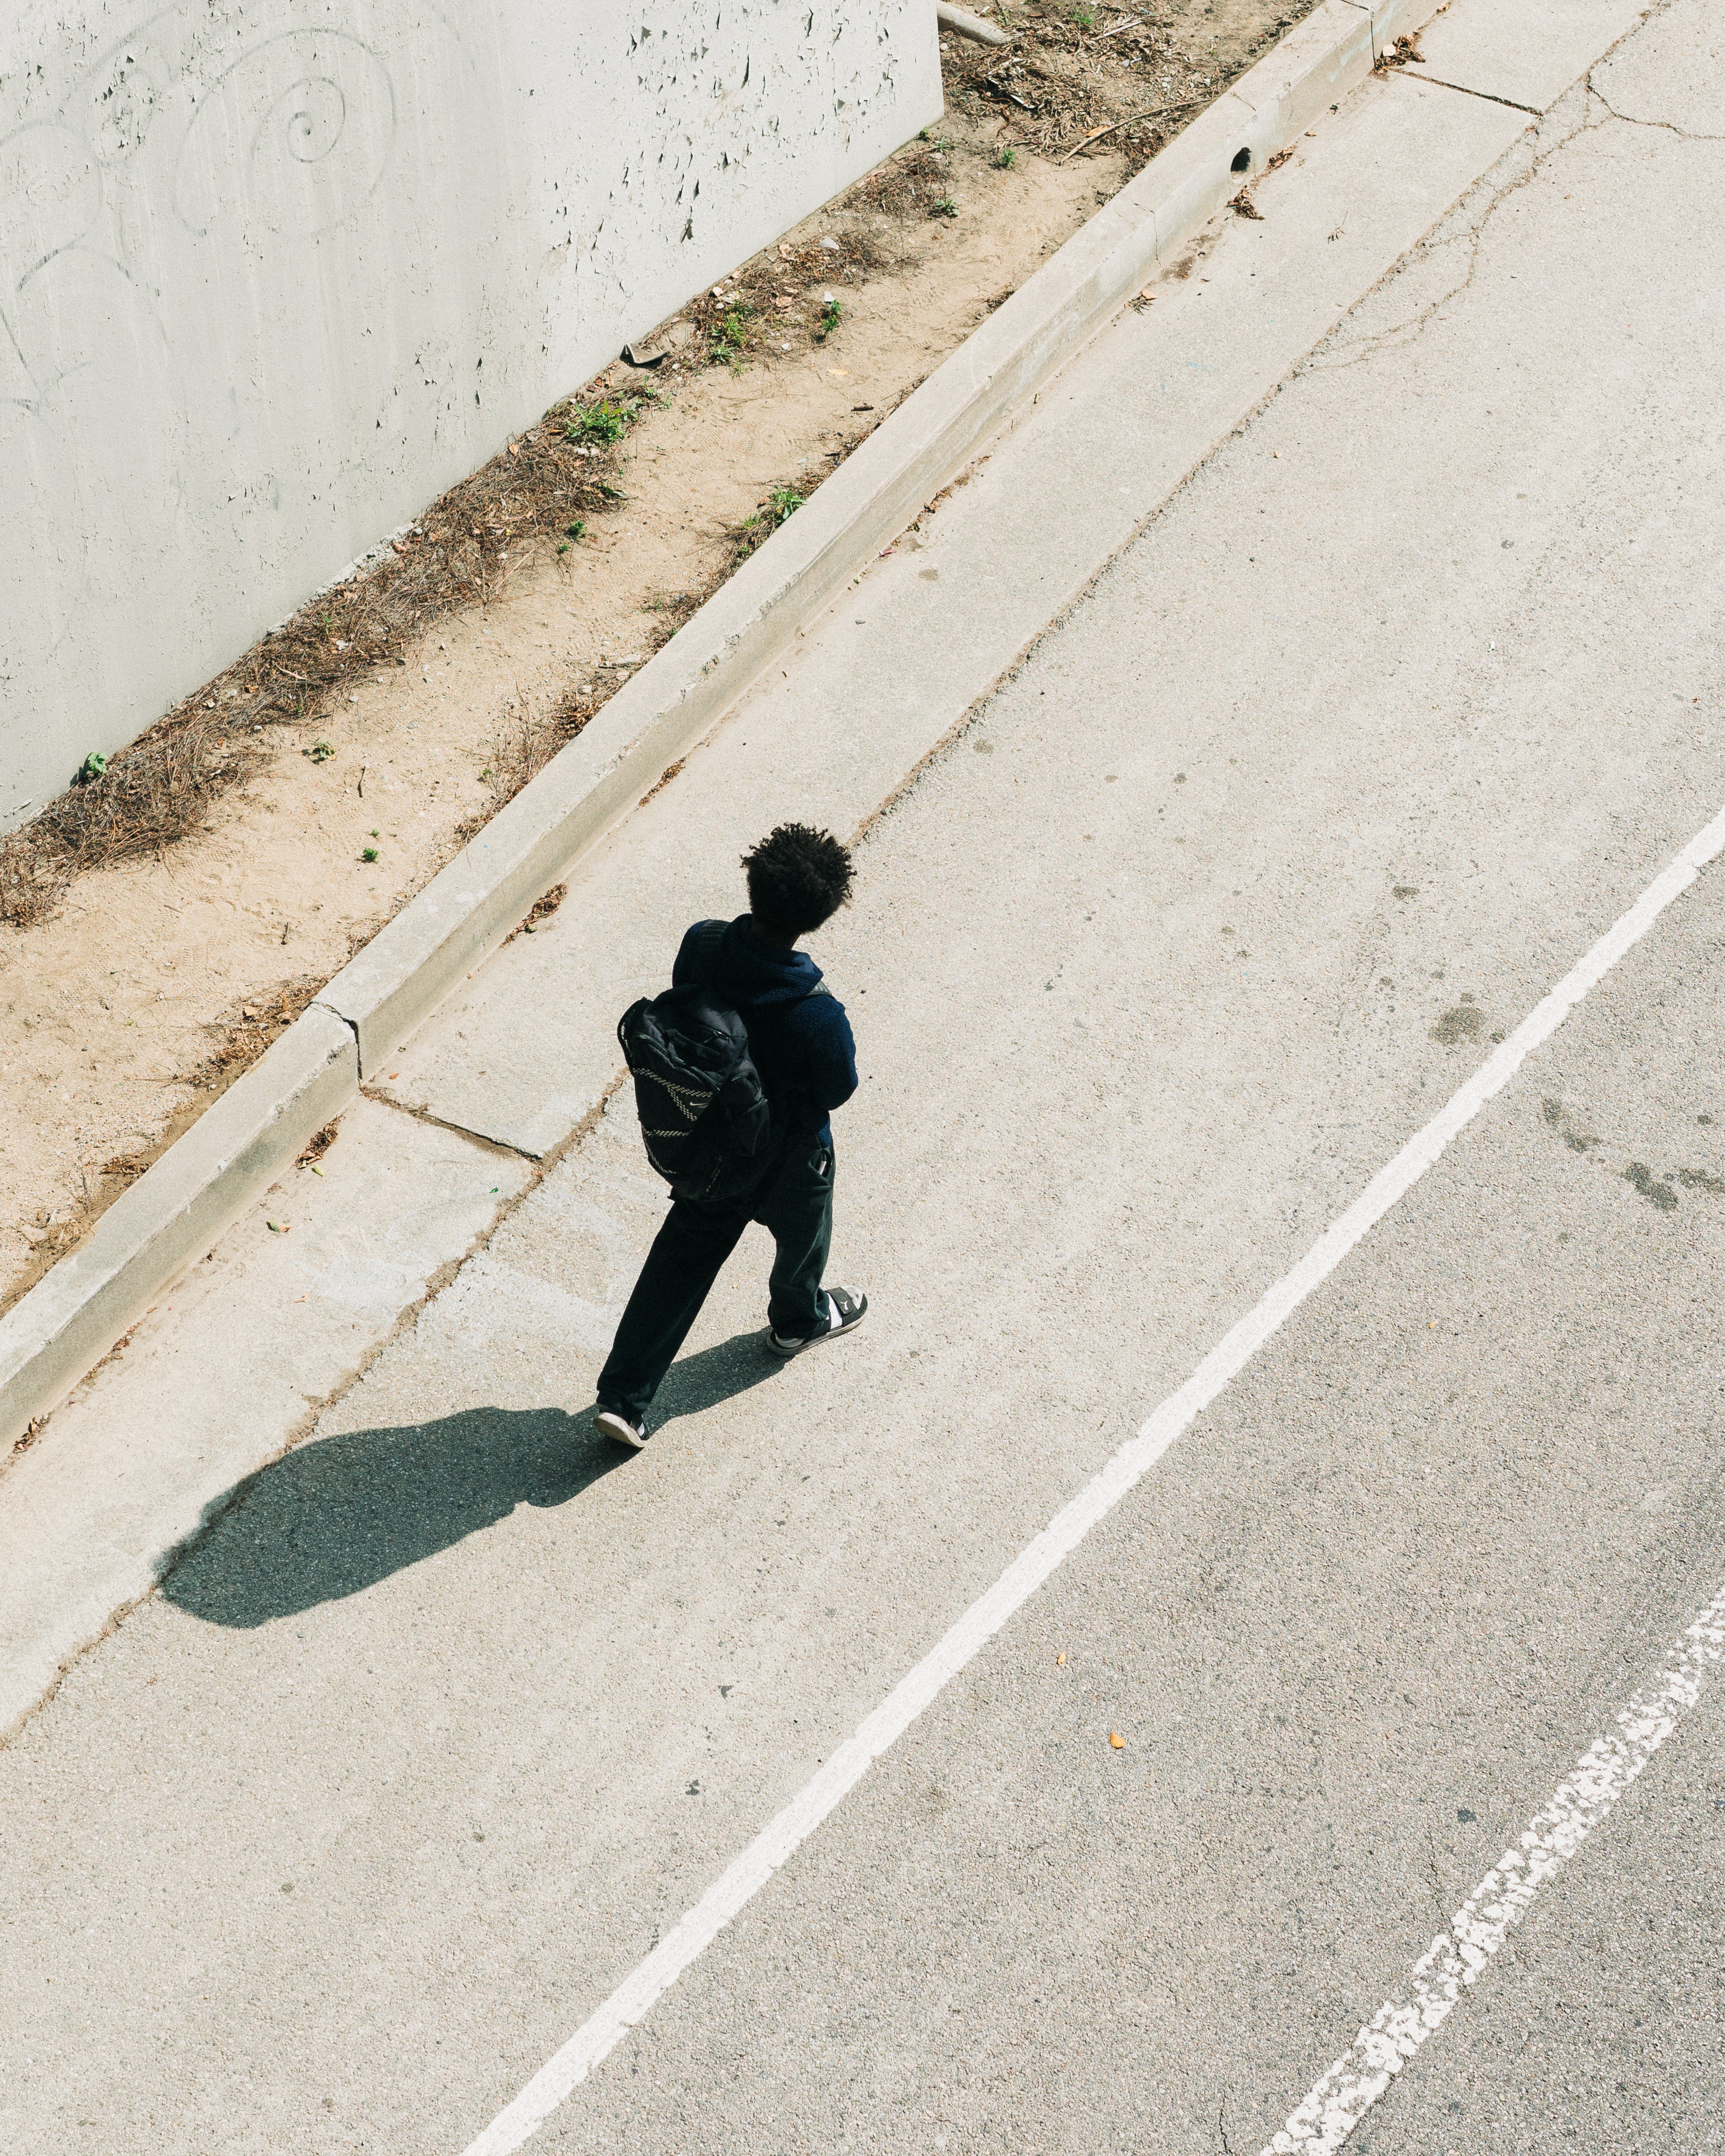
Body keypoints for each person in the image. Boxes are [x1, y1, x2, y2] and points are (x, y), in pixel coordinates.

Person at [593, 824, 868, 1449]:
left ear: (754, 885)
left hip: (711, 1149)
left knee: (678, 1265)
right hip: (790, 1159)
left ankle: (625, 1400)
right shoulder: (820, 1015)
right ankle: (799, 1320)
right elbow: (837, 1090)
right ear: (819, 918)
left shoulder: (704, 944)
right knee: (804, 1239)